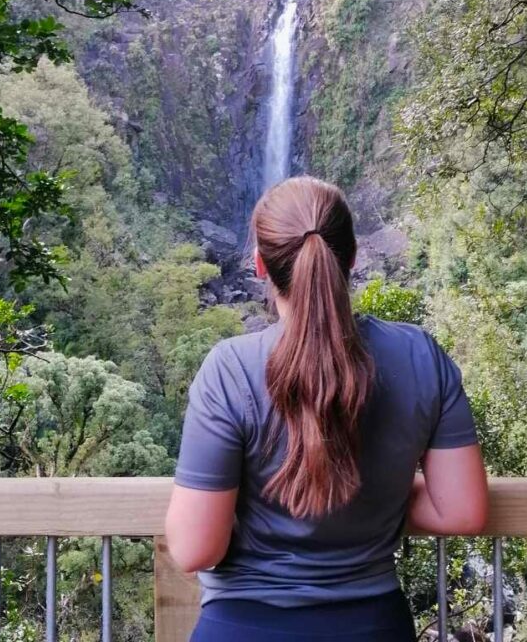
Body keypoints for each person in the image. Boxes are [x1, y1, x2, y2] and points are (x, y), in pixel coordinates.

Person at [165, 175, 489, 642]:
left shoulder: (229, 369)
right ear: (352, 258)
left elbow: (195, 548)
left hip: (243, 627)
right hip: (373, 626)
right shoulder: (421, 356)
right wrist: (381, 486)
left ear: (259, 264)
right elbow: (462, 511)